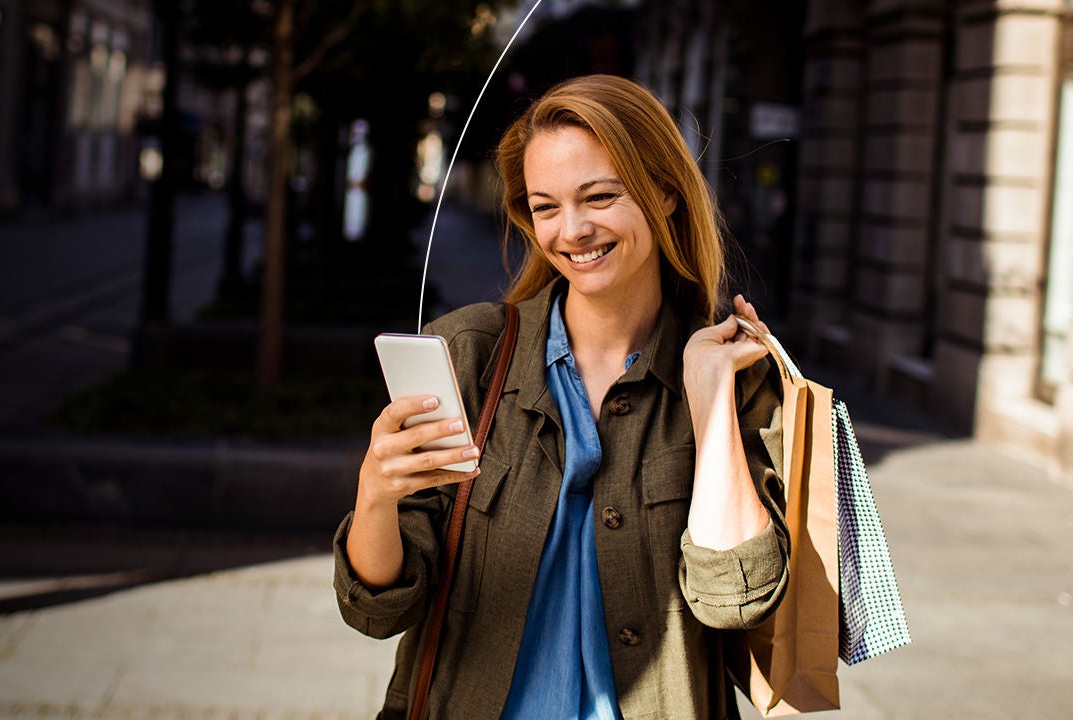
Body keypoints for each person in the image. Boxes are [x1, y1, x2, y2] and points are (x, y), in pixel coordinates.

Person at [333, 74, 790, 720]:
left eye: (598, 197)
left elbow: (734, 600)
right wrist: (376, 492)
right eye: (545, 207)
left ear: (665, 193)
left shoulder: (735, 377)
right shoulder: (468, 355)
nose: (571, 231)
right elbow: (376, 609)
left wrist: (711, 402)